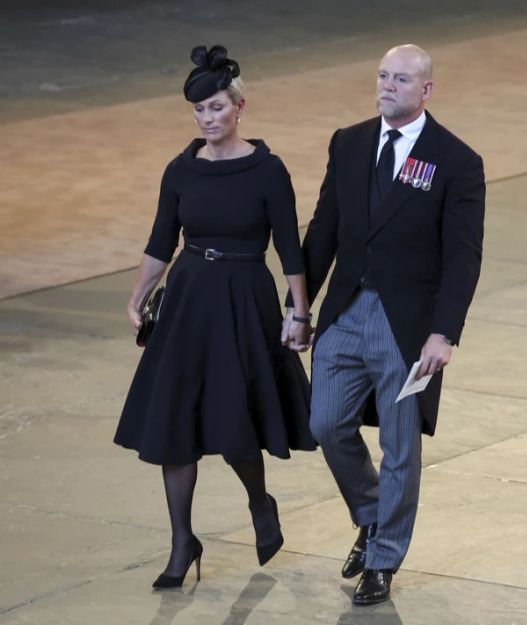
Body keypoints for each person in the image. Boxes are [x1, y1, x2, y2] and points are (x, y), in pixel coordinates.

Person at [286, 44, 485, 605]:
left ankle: (384, 559)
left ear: (426, 90)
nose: (387, 86)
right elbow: (323, 229)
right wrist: (298, 308)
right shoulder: (348, 143)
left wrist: (444, 333)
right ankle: (371, 514)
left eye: (401, 79)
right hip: (345, 312)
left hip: (407, 326)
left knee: (400, 446)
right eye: (382, 76)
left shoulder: (457, 161)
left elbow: (464, 255)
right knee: (326, 423)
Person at [114, 45, 317, 588]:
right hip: (188, 299)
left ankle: (260, 502)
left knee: (234, 421)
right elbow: (161, 241)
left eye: (217, 108)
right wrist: (138, 296)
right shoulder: (180, 170)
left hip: (245, 299)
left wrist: (300, 312)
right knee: (175, 422)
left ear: (239, 107)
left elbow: (289, 250)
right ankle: (182, 541)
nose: (208, 119)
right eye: (200, 111)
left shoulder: (268, 171)